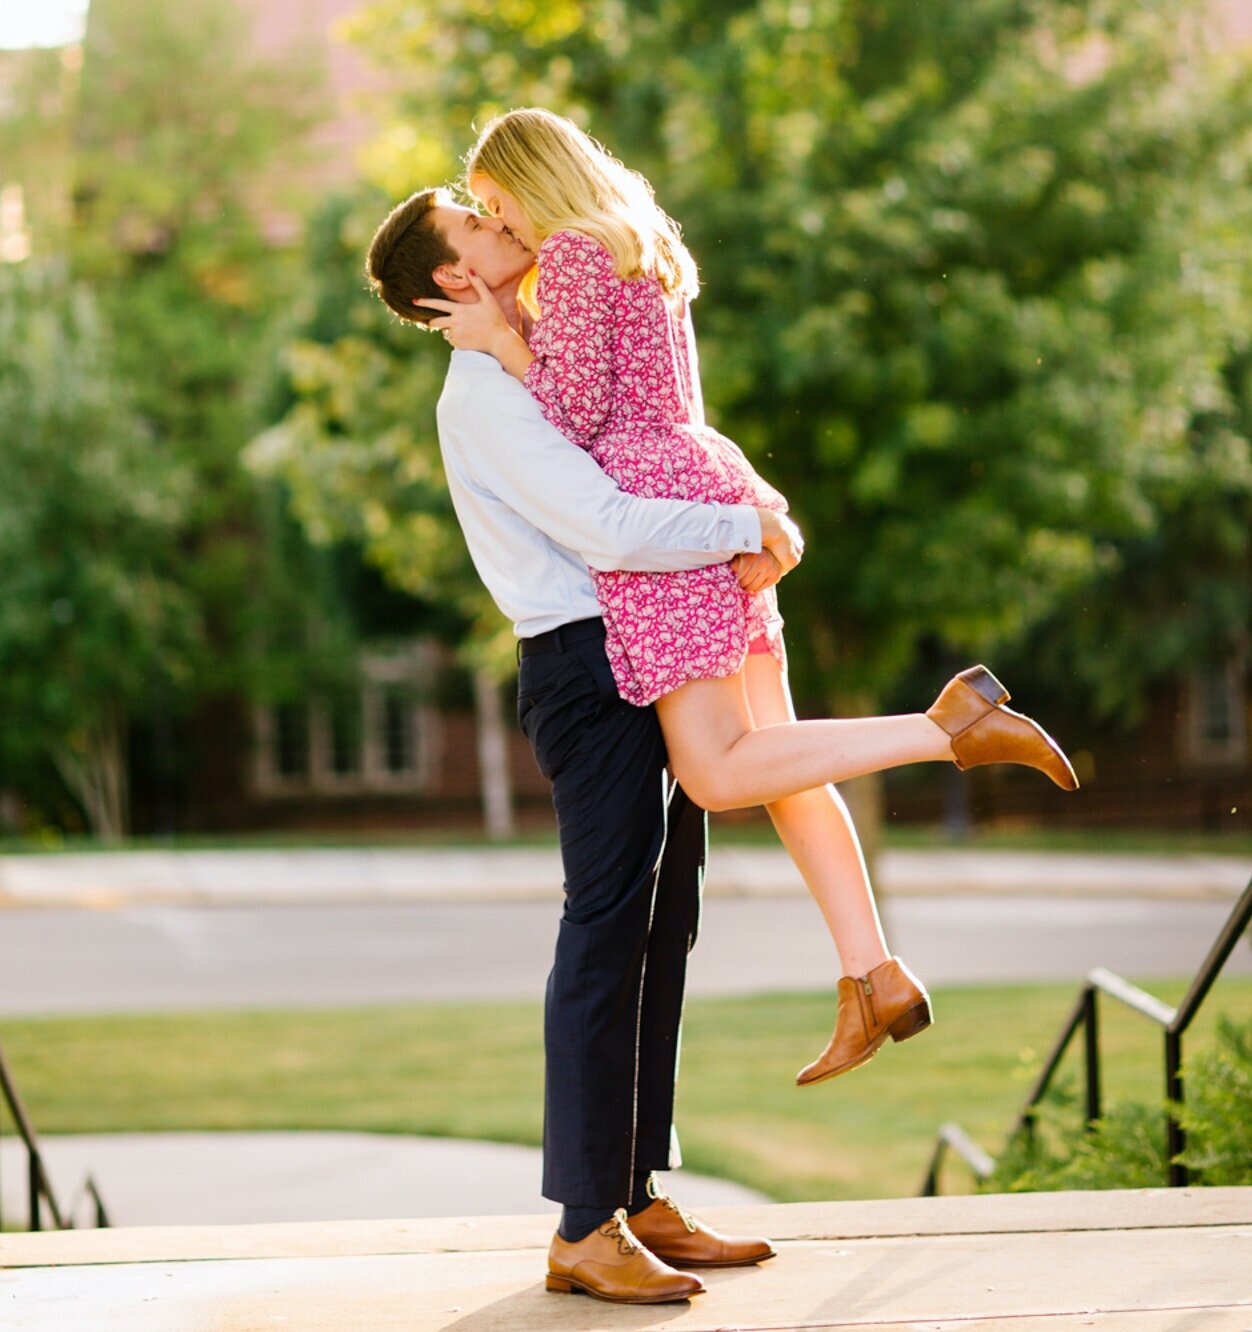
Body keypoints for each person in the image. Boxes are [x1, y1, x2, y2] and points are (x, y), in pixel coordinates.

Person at [414, 107, 1079, 1099]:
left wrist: (505, 341)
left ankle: (949, 728)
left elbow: (572, 413)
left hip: (660, 518)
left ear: (537, 181)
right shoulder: (642, 239)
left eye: (501, 204)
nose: (501, 224)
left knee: (720, 770)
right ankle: (874, 976)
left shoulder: (579, 256)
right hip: (706, 479)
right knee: (783, 757)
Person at [368, 185, 790, 1305]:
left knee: (667, 920)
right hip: (583, 666)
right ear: (453, 278)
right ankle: (580, 1225)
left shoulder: (526, 355)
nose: (506, 227)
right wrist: (750, 524)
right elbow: (605, 521)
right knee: (605, 926)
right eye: (479, 225)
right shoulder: (482, 397)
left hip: (653, 644)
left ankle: (641, 1192)